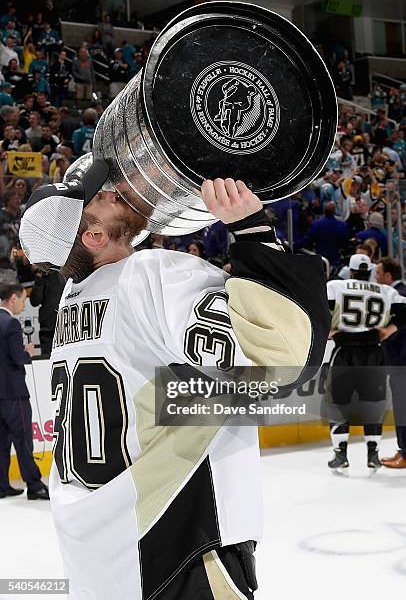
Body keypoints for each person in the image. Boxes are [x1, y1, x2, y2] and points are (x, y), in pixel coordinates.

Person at [19, 165, 329, 599]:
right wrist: (254, 232)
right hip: (178, 546)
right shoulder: (151, 275)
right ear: (93, 237)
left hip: (100, 559)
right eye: (99, 198)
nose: (114, 192)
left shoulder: (70, 303)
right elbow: (275, 360)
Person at [325, 254, 406, 472]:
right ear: (369, 271)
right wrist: (390, 329)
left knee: (339, 404)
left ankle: (340, 454)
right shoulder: (387, 292)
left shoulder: (335, 286)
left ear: (350, 271)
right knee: (373, 403)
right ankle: (373, 455)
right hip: (374, 352)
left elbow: (320, 310)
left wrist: (327, 331)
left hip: (345, 351)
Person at [0, 283, 50, 499]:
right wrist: (27, 352)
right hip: (14, 393)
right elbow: (18, 358)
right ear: (12, 298)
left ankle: (2, 485)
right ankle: (35, 485)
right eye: (21, 299)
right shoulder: (10, 324)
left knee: (2, 442)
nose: (22, 304)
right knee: (22, 440)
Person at [376, 257, 406, 469]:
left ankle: (405, 453)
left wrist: (390, 329)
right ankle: (403, 449)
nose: (375, 278)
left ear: (388, 276)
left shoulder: (399, 293)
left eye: (378, 273)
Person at [295, 201, 351, 266]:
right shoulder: (343, 225)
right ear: (334, 212)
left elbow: (307, 240)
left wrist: (293, 246)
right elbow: (346, 243)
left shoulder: (317, 224)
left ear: (324, 211)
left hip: (321, 260)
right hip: (336, 260)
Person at [29, 269, 66, 355]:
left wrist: (38, 278)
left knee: (48, 358)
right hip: (57, 324)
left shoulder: (45, 276)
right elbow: (35, 301)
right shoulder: (64, 272)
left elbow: (35, 300)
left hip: (52, 326)